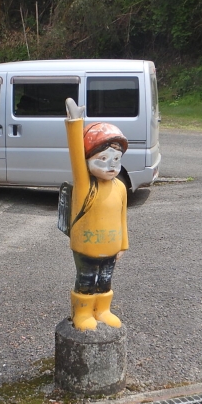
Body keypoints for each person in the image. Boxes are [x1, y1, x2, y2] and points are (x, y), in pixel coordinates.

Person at [64, 98, 128, 331]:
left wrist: (123, 244)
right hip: (86, 245)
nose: (111, 165)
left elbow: (123, 218)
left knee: (105, 280)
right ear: (88, 160)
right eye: (102, 159)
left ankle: (102, 309)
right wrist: (75, 122)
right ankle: (82, 312)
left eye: (116, 160)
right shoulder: (85, 185)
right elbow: (76, 156)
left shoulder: (120, 187)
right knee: (87, 279)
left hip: (111, 244)